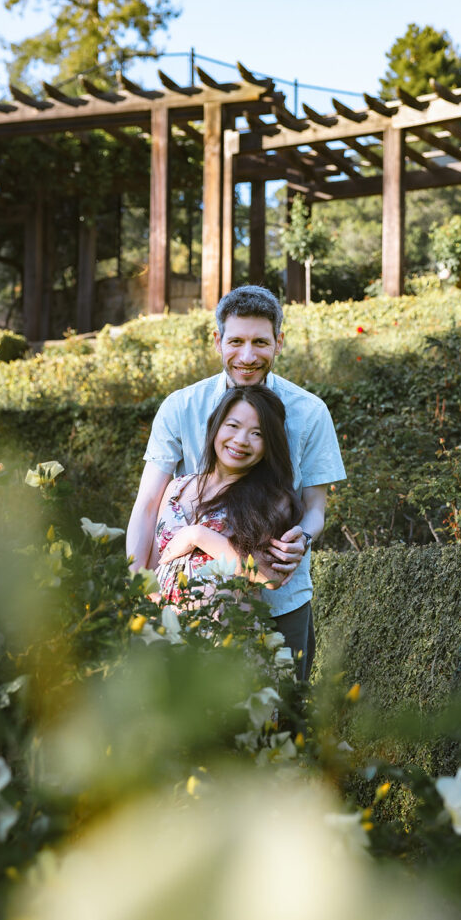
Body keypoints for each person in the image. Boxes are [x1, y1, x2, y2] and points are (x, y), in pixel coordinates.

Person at [127, 285, 345, 680]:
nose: (247, 356)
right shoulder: (181, 407)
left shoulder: (309, 412)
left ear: (279, 342)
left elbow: (315, 508)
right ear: (218, 341)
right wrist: (139, 585)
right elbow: (147, 506)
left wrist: (304, 537)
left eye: (260, 342)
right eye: (237, 341)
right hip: (182, 607)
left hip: (280, 601)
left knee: (280, 724)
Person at [152, 384, 302, 603]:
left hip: (226, 634)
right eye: (233, 425)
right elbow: (159, 564)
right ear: (216, 427)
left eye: (257, 433)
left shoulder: (271, 500)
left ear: (269, 445)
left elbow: (268, 577)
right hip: (167, 632)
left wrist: (197, 536)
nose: (241, 440)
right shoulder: (177, 487)